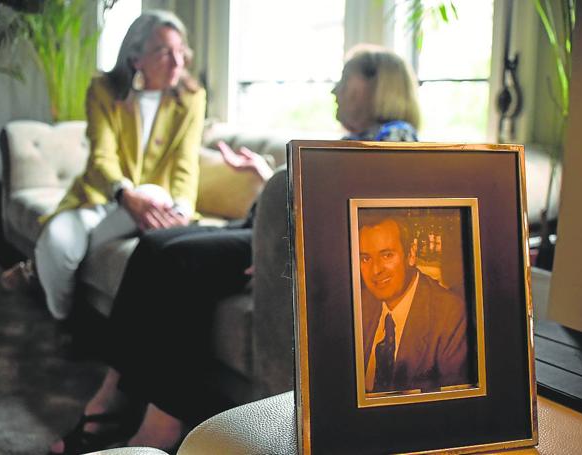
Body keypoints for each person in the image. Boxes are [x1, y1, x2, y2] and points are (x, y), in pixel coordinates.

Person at [48, 44, 422, 454]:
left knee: (180, 261)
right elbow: (309, 199)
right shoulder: (357, 138)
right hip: (259, 227)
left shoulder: (396, 140)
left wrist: (283, 251)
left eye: (344, 78)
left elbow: (361, 227)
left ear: (377, 85)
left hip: (274, 243)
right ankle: (113, 393)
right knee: (153, 244)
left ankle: (164, 422)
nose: (333, 90)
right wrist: (264, 177)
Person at [1, 10, 206, 321]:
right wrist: (124, 193)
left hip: (154, 202)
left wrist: (182, 209)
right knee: (57, 243)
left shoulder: (191, 99)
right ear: (136, 59)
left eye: (181, 52)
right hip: (100, 197)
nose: (177, 62)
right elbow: (102, 155)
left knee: (152, 194)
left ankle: (33, 270)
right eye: (165, 52)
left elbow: (185, 163)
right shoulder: (103, 90)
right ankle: (64, 319)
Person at [358, 217, 471, 393]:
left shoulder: (450, 315)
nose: (376, 270)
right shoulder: (359, 304)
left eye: (387, 255)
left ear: (411, 254)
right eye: (365, 259)